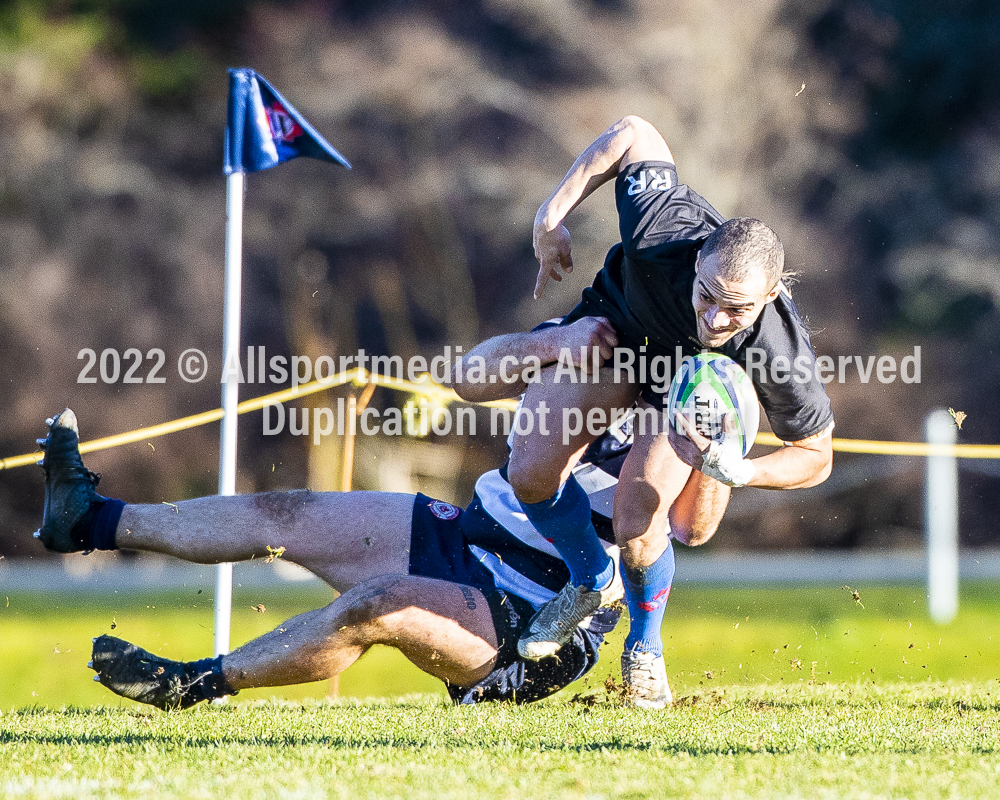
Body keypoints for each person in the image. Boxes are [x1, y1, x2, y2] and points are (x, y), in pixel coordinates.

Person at [35, 321, 727, 711]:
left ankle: (190, 683)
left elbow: (692, 529)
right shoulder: (592, 335)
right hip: (467, 532)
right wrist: (554, 341)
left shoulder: (695, 394)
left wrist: (722, 457)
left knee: (381, 605)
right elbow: (472, 375)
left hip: (537, 616)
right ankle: (88, 520)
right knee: (287, 512)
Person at [492, 116, 835, 704]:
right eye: (708, 296)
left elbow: (817, 456)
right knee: (527, 471)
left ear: (771, 296)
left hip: (683, 388)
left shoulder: (777, 350)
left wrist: (746, 470)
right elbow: (634, 132)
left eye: (739, 309)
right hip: (612, 339)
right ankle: (587, 582)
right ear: (698, 259)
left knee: (638, 518)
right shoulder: (662, 227)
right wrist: (550, 216)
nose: (717, 319)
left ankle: (644, 648)